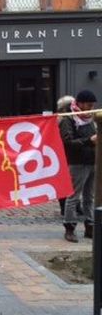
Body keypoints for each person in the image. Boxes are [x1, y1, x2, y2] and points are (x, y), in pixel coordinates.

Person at [59, 90, 97, 243]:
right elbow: (68, 142)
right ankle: (70, 228)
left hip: (92, 161)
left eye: (92, 105)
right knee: (73, 197)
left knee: (90, 197)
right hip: (77, 162)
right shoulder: (69, 119)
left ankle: (90, 226)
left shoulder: (91, 118)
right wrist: (89, 140)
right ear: (80, 104)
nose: (91, 107)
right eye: (88, 104)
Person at [56, 95, 75, 216]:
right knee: (67, 181)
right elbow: (67, 139)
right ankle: (65, 207)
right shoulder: (65, 120)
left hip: (66, 155)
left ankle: (72, 206)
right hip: (66, 155)